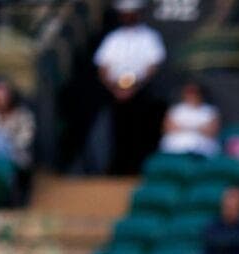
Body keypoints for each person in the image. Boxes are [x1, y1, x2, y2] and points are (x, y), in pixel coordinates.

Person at [93, 0, 166, 174]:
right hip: (116, 94)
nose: (128, 16)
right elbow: (103, 67)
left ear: (138, 13)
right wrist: (115, 89)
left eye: (131, 12)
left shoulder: (149, 37)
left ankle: (139, 168)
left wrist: (134, 87)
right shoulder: (113, 38)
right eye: (125, 13)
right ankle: (119, 168)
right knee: (118, 132)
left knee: (141, 132)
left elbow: (152, 66)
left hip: (141, 93)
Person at [159, 80, 219, 158]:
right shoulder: (175, 110)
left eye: (194, 93)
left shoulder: (210, 111)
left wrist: (184, 127)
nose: (192, 96)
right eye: (189, 93)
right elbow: (168, 128)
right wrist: (197, 127)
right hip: (176, 145)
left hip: (202, 146)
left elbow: (211, 131)